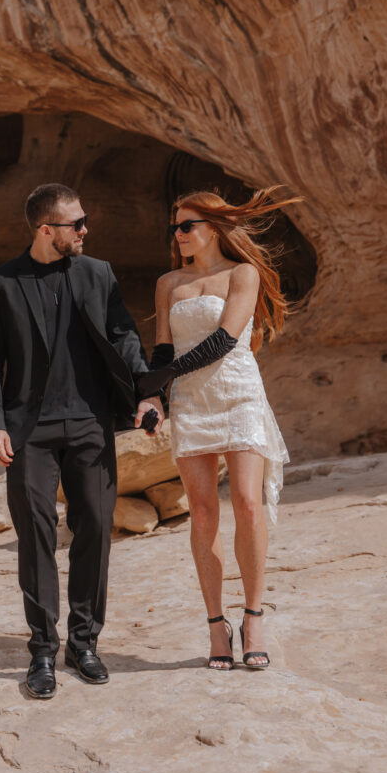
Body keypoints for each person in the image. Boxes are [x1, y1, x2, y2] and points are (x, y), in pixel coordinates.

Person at [0, 183, 162, 699]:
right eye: (75, 223)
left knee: (96, 527)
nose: (85, 230)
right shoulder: (0, 282)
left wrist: (147, 394)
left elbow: (123, 336)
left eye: (84, 220)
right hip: (28, 430)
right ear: (45, 229)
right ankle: (41, 651)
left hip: (90, 422)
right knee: (35, 536)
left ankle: (84, 642)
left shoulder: (97, 273)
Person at [139, 187, 301, 671]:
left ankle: (253, 618)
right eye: (175, 228)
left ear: (212, 228)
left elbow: (225, 341)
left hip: (237, 393)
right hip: (191, 401)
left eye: (187, 226)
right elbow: (163, 350)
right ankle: (216, 624)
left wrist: (163, 379)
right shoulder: (169, 283)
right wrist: (151, 396)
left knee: (249, 505)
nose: (179, 235)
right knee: (203, 512)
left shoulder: (242, 274)